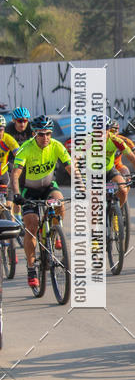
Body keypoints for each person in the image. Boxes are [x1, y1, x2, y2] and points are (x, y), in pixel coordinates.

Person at [10, 115, 73, 289]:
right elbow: (15, 175)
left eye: (48, 134)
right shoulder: (25, 149)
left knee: (59, 202)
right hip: (28, 190)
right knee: (32, 224)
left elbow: (70, 167)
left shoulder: (56, 145)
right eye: (41, 134)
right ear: (34, 134)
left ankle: (54, 231)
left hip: (48, 187)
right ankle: (31, 269)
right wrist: (16, 194)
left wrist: (82, 186)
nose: (45, 138)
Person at [104, 116, 135, 206]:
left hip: (117, 166)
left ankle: (119, 206)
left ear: (118, 131)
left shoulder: (123, 141)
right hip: (102, 168)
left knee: (126, 174)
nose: (113, 133)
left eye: (116, 131)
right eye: (111, 131)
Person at [0, 115, 20, 207]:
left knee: (8, 205)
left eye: (1, 130)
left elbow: (19, 154)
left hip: (3, 175)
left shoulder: (7, 139)